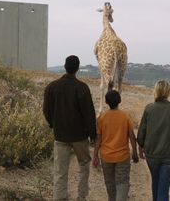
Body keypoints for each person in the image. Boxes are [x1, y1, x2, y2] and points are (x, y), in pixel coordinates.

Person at [43, 55, 97, 201]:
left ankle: (59, 197)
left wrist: (52, 124)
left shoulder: (52, 87)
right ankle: (81, 196)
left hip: (60, 135)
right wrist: (93, 134)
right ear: (77, 68)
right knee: (84, 165)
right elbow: (89, 114)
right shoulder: (82, 88)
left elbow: (46, 110)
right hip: (80, 136)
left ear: (65, 66)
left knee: (60, 170)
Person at [137, 80, 170, 201]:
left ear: (156, 91)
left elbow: (141, 133)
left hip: (152, 155)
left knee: (156, 184)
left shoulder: (149, 109)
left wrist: (140, 148)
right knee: (163, 190)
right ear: (168, 92)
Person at [93, 90, 139, 201]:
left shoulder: (102, 118)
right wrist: (135, 152)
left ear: (106, 101)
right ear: (120, 101)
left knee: (109, 183)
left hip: (106, 156)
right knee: (122, 182)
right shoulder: (125, 117)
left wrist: (95, 155)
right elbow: (132, 136)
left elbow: (98, 138)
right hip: (122, 156)